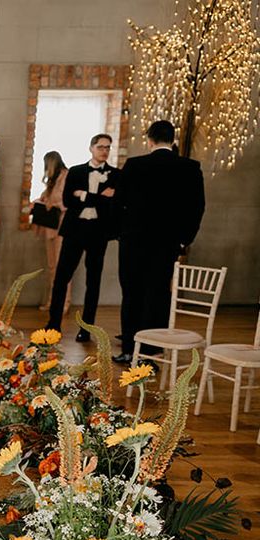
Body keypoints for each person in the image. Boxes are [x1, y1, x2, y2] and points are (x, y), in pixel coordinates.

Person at [112, 120, 206, 364]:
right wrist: (185, 239)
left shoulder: (134, 165)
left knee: (132, 293)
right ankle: (152, 352)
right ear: (173, 140)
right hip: (167, 243)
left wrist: (121, 232)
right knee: (158, 294)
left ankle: (129, 350)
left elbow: (118, 202)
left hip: (133, 241)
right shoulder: (190, 167)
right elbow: (197, 207)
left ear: (150, 140)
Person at [46, 134, 119, 341]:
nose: (104, 151)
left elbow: (113, 205)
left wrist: (84, 195)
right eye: (100, 147)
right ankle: (53, 324)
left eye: (107, 147)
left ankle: (86, 328)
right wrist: (97, 197)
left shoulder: (115, 175)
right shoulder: (76, 171)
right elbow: (68, 200)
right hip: (74, 231)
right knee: (61, 277)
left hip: (99, 233)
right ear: (91, 148)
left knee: (93, 281)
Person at [31, 151, 70, 313]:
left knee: (62, 267)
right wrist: (40, 202)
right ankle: (52, 301)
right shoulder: (52, 181)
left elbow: (66, 201)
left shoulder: (65, 176)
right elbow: (48, 197)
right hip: (50, 227)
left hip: (61, 226)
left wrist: (51, 204)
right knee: (52, 267)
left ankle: (63, 303)